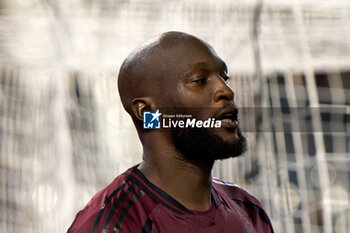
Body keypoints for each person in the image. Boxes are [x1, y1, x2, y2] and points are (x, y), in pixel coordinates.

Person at [67, 31, 274, 233]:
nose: (227, 91)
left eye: (224, 77)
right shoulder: (112, 224)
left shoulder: (248, 210)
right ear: (148, 112)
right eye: (199, 80)